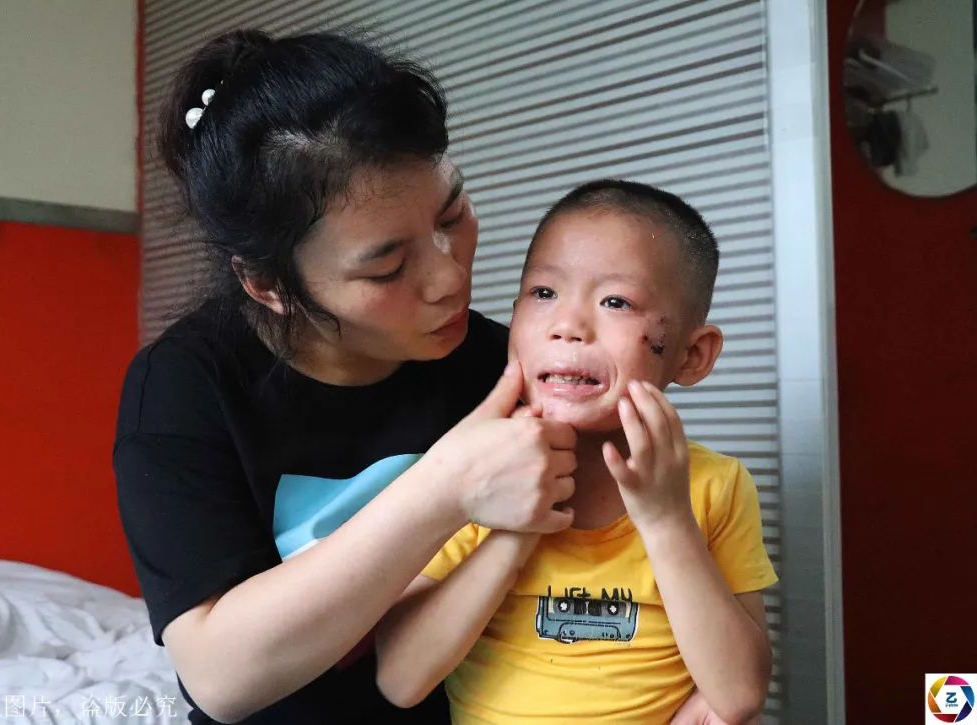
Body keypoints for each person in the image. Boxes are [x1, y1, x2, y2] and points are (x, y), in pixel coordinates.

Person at [113, 27, 579, 725]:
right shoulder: (184, 387)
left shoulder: (500, 363)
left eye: (453, 214)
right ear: (268, 282)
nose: (450, 276)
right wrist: (446, 486)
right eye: (388, 268)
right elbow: (220, 677)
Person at [375, 180, 778, 724]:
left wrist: (664, 521)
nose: (567, 326)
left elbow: (737, 695)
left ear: (692, 355)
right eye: (543, 293)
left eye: (616, 301)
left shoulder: (714, 487)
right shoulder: (473, 476)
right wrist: (516, 529)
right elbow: (401, 680)